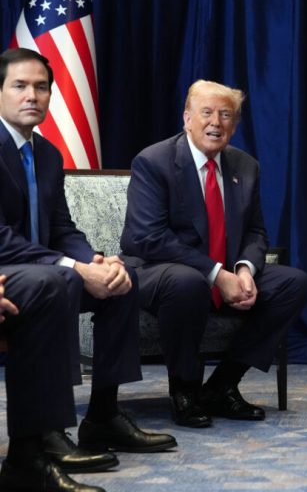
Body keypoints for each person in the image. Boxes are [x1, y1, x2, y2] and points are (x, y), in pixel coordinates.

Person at [0, 48, 176, 490]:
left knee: (121, 279)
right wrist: (74, 267)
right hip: (11, 272)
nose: (32, 95)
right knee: (60, 280)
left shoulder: (47, 153)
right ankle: (42, 437)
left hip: (43, 272)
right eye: (20, 85)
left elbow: (62, 227)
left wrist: (96, 261)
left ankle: (102, 416)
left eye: (41, 87)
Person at [120, 79, 307, 428]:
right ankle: (185, 390)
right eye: (206, 112)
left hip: (223, 269)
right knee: (188, 282)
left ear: (234, 126)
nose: (216, 122)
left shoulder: (245, 166)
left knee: (293, 283)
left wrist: (245, 270)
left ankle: (223, 385)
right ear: (187, 119)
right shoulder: (154, 161)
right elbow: (146, 238)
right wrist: (216, 274)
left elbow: (255, 231)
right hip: (159, 270)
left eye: (226, 115)